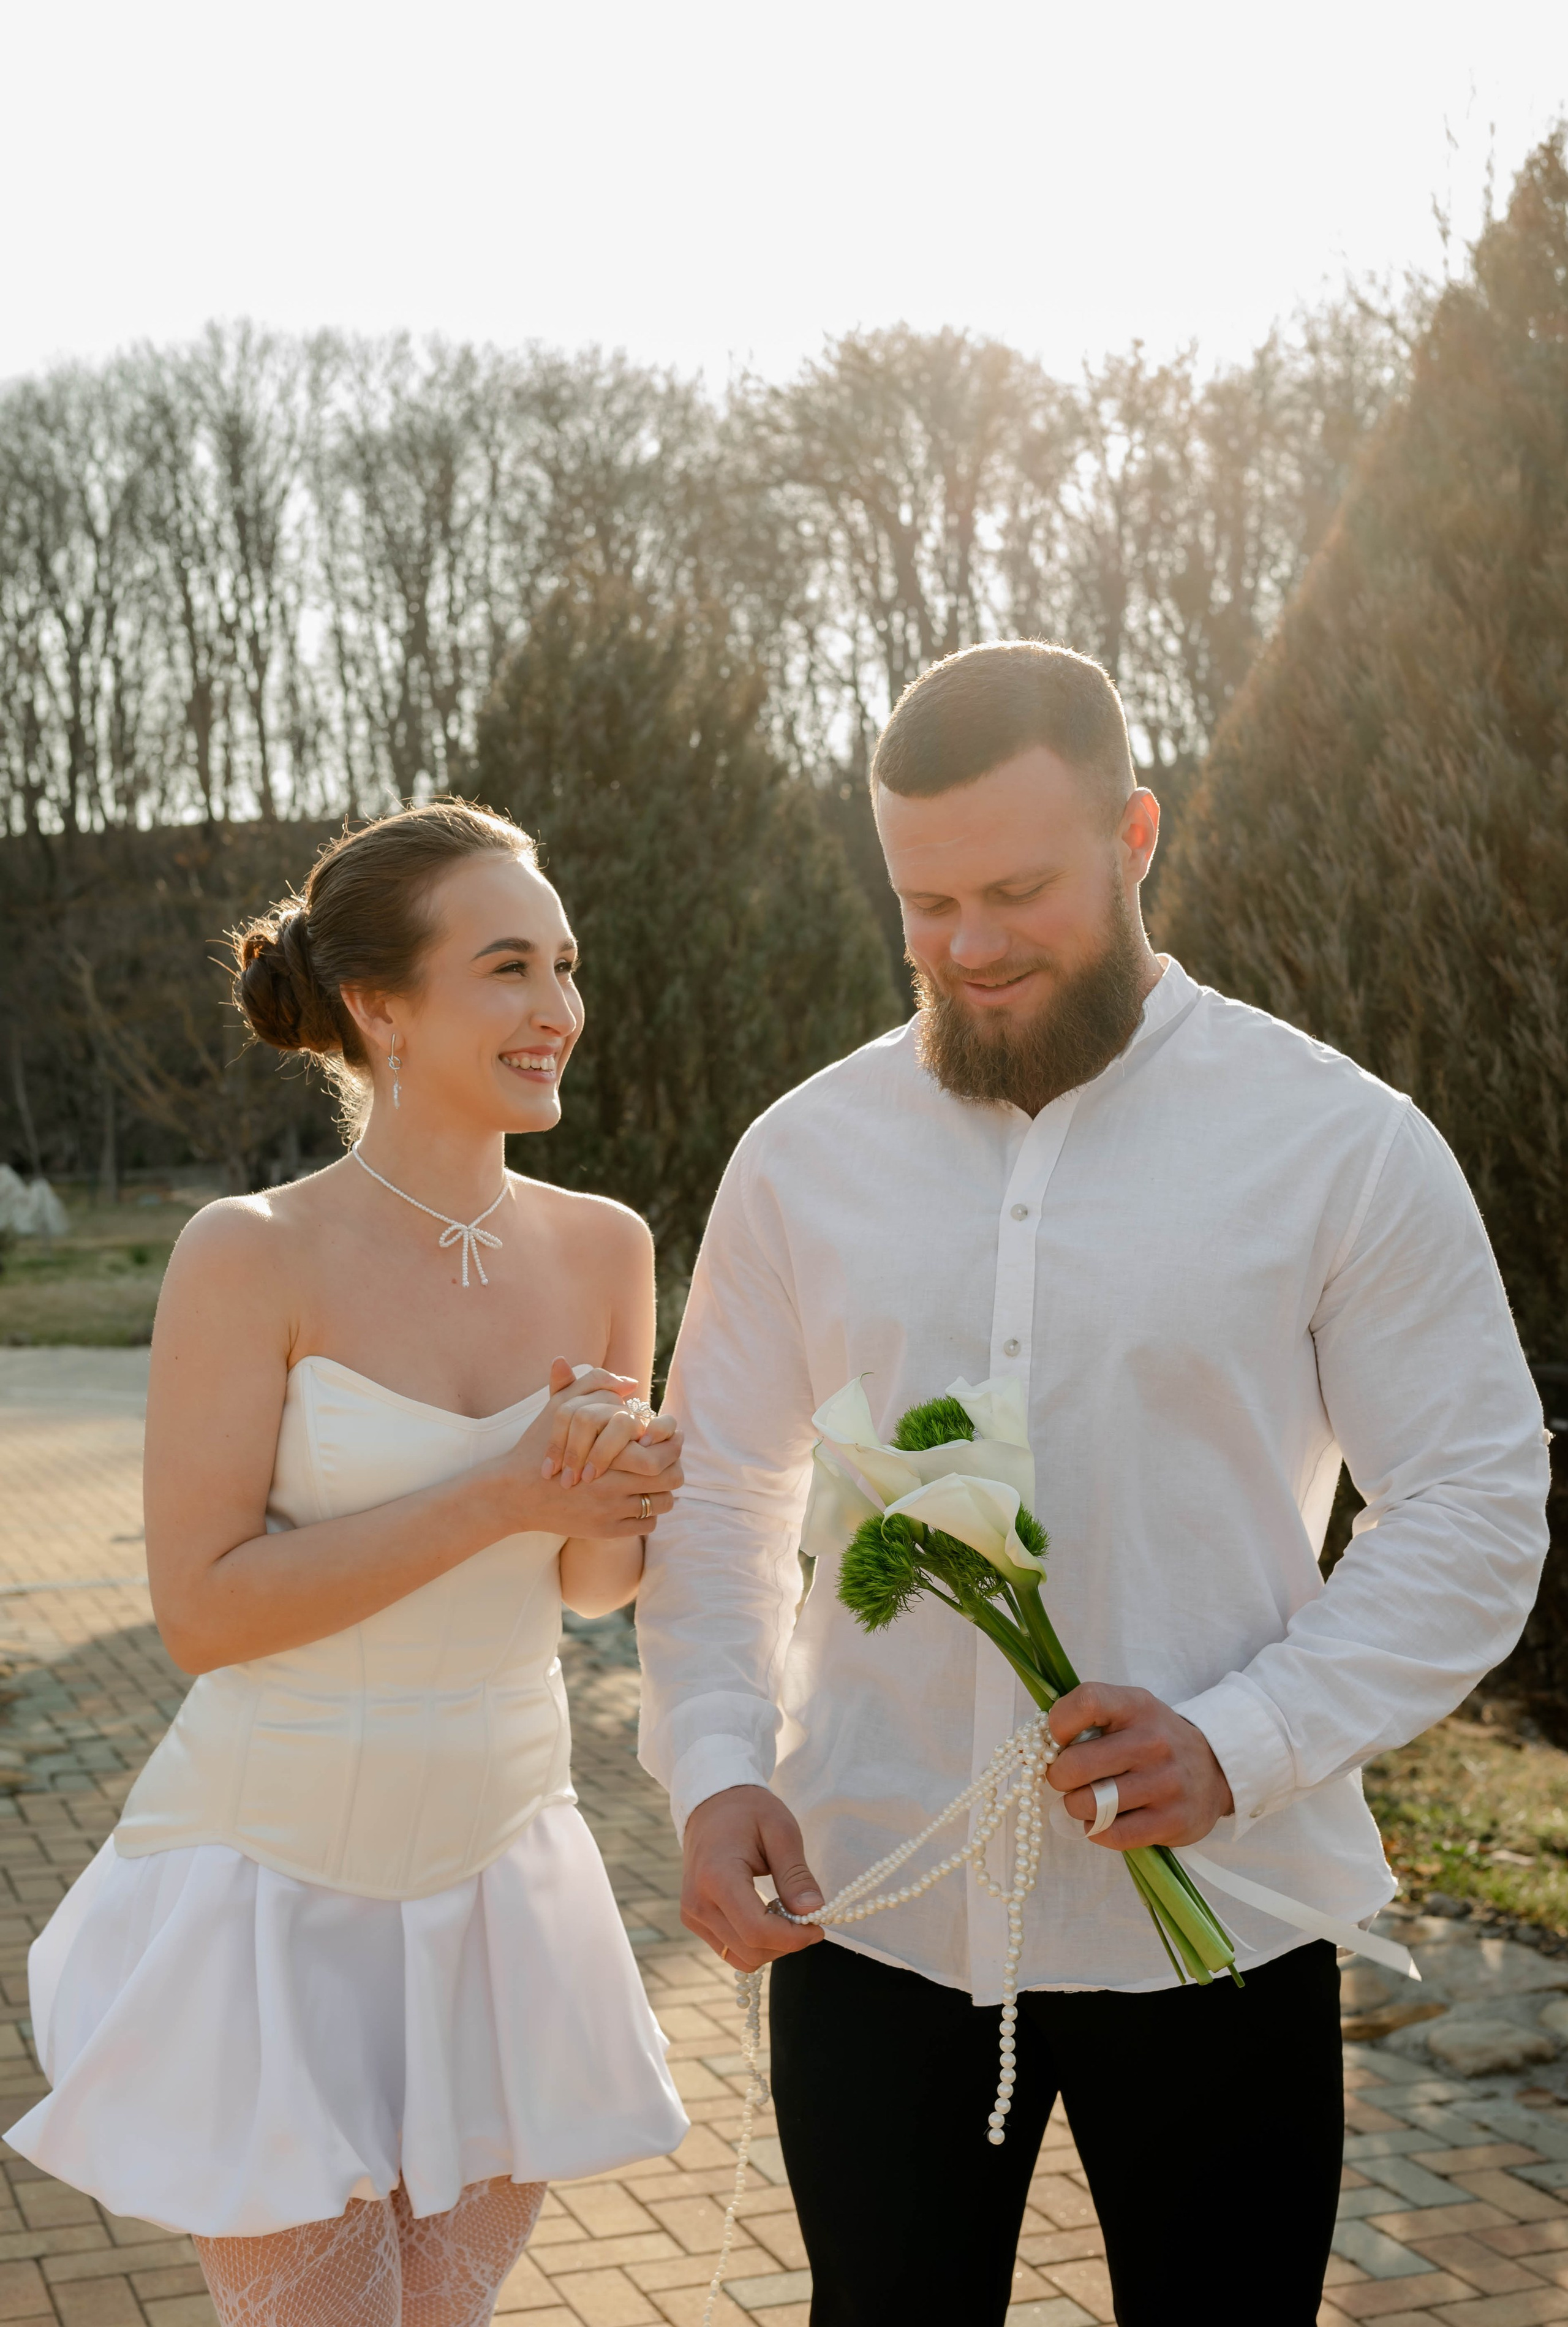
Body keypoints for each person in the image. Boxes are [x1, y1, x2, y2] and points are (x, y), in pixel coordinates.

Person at [636, 643, 1551, 2326]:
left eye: (1015, 888)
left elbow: (1476, 1510)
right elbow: (720, 1496)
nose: (968, 945)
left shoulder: (1341, 1143)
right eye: (924, 903)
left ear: (1138, 837)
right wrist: (709, 1760)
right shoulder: (799, 1155)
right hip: (874, 1907)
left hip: (1224, 1916)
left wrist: (1247, 1738)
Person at [10, 799, 690, 2327]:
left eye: (566, 966)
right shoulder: (248, 1254)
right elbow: (203, 1610)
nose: (558, 1011)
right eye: (508, 967)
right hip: (276, 1893)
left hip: (502, 1892)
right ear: (379, 1007)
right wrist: (513, 1493)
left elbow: (587, 1593)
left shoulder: (607, 1249)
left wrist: (618, 1509)